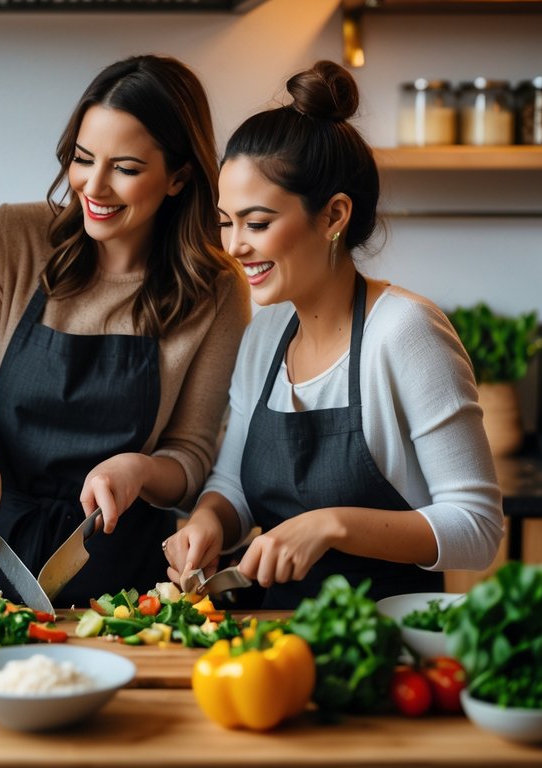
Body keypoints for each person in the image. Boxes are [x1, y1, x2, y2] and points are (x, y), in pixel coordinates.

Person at [163, 60, 504, 609]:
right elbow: (231, 484)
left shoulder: (405, 333)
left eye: (256, 223)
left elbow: (478, 528)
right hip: (269, 641)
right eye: (226, 221)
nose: (234, 245)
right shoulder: (265, 336)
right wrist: (208, 521)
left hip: (383, 648)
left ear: (333, 216)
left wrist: (332, 525)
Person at [0, 55, 250, 607]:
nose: (93, 187)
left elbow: (192, 457)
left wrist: (140, 470)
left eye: (125, 168)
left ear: (178, 177)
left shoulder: (216, 288)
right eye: (82, 159)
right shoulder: (14, 238)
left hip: (129, 585)